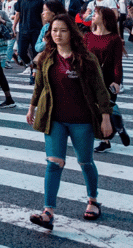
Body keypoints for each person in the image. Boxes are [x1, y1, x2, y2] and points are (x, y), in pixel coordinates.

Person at [27, 14, 114, 231]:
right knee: (54, 163)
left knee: (85, 162)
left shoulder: (86, 58)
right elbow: (39, 85)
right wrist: (32, 107)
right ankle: (48, 212)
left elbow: (100, 90)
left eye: (62, 30)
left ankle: (93, 200)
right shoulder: (46, 57)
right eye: (54, 31)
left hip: (81, 120)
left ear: (71, 33)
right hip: (54, 119)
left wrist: (105, 117)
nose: (57, 35)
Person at [86, 7, 128, 153]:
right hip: (90, 79)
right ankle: (115, 128)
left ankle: (109, 136)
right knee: (94, 109)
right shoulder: (88, 37)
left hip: (108, 78)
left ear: (104, 18)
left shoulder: (114, 39)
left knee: (106, 108)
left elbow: (117, 62)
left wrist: (117, 81)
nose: (92, 15)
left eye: (96, 14)